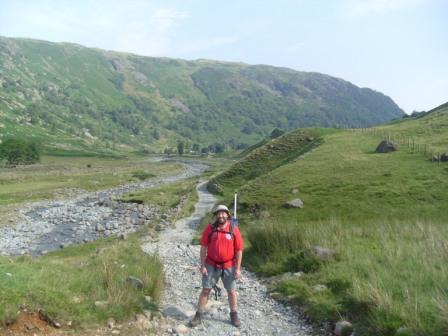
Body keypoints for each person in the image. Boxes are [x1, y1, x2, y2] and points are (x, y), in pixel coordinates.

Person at [189, 204, 244, 328]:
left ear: (228, 215)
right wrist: (202, 265)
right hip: (211, 264)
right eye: (218, 213)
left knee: (231, 291)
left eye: (223, 213)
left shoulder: (233, 228)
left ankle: (234, 315)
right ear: (216, 215)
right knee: (206, 289)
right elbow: (203, 247)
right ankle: (198, 315)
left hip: (229, 265)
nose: (221, 215)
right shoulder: (210, 228)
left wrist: (238, 269)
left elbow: (239, 250)